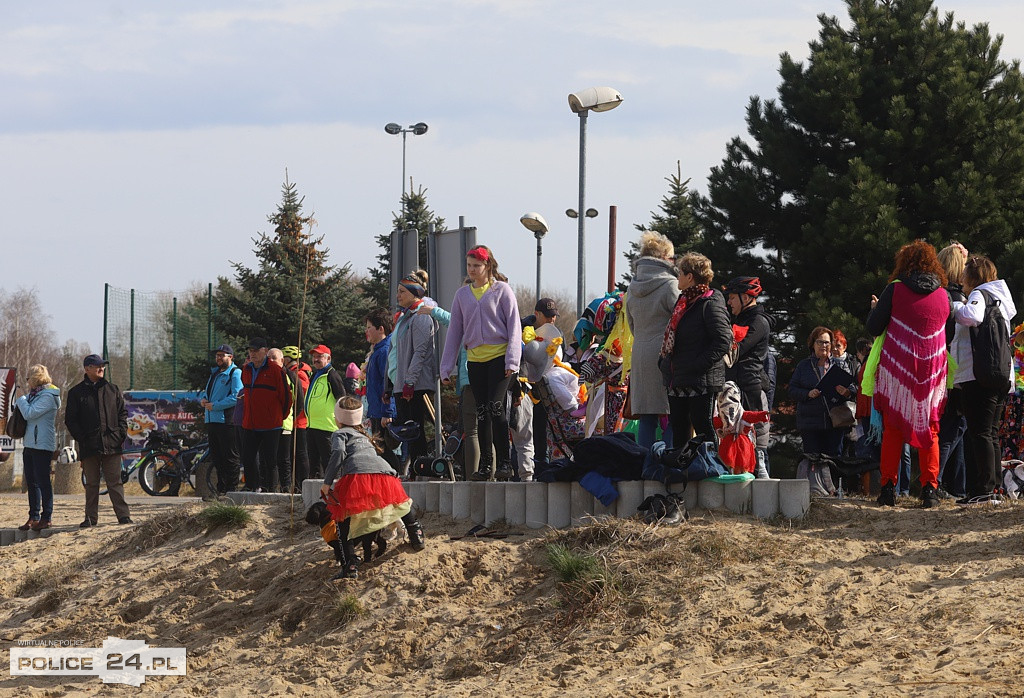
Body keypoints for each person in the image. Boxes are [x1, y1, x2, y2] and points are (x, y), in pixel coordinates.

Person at [865, 240, 951, 508]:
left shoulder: (895, 289)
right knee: (930, 427)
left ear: (904, 263)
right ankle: (930, 491)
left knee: (893, 428)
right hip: (932, 371)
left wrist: (875, 309)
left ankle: (888, 489)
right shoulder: (943, 294)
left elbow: (874, 328)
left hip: (897, 370)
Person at [440, 245, 522, 481]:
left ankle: (505, 462)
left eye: (477, 265)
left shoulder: (502, 291)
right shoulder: (462, 295)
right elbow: (455, 332)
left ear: (488, 266)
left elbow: (514, 327)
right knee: (482, 412)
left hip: (500, 359)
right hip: (475, 361)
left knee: (497, 407)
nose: (473, 270)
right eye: (469, 265)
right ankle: (487, 465)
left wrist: (512, 360)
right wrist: (447, 367)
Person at [321, 396, 425, 579]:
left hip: (357, 475)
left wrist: (327, 482)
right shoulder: (363, 434)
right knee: (400, 503)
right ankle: (416, 533)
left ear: (338, 417)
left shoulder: (340, 434)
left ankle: (350, 564)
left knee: (342, 518)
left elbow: (338, 452)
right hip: (385, 472)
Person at [954, 254, 1017, 505]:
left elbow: (972, 317)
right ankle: (994, 488)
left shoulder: (979, 295)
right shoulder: (1001, 299)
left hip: (978, 374)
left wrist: (957, 307)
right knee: (991, 432)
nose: (962, 278)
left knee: (980, 432)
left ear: (973, 277)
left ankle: (983, 489)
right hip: (1001, 374)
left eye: (965, 273)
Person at [660, 252, 732, 445]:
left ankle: (710, 469)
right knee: (679, 428)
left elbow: (723, 340)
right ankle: (683, 471)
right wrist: (664, 363)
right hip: (678, 378)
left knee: (703, 427)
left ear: (690, 276)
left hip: (701, 380)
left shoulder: (710, 302)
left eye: (680, 273)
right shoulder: (683, 302)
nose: (677, 278)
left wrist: (698, 365)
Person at [64, 354, 132, 527]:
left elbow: (123, 414)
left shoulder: (113, 389)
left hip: (112, 445)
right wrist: (82, 439)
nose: (101, 368)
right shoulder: (76, 393)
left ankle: (123, 516)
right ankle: (90, 518)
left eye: (103, 365)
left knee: (115, 482)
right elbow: (70, 420)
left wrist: (120, 434)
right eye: (97, 366)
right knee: (91, 484)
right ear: (87, 369)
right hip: (89, 446)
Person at [626, 231, 678, 450]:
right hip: (665, 356)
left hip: (640, 354)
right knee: (675, 412)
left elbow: (631, 325)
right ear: (665, 257)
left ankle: (645, 463)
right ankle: (670, 461)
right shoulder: (670, 285)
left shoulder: (632, 287)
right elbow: (681, 320)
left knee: (647, 416)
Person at [389, 270, 440, 475]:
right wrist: (391, 384)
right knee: (406, 431)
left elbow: (420, 352)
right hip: (402, 382)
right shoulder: (404, 317)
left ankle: (421, 468)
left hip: (417, 384)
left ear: (414, 293)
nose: (398, 295)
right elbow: (396, 353)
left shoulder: (421, 316)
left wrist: (409, 382)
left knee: (415, 429)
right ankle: (414, 469)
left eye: (402, 291)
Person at [722, 276, 772, 478]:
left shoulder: (758, 322)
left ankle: (759, 467)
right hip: (732, 384)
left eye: (732, 297)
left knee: (754, 433)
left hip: (750, 384)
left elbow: (736, 351)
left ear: (745, 297)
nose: (729, 302)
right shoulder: (737, 320)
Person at [789, 327, 857, 459]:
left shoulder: (840, 365)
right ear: (812, 344)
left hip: (835, 423)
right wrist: (808, 394)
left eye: (827, 342)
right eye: (820, 342)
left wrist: (847, 392)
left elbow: (854, 386)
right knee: (812, 461)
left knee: (834, 461)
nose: (824, 346)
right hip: (810, 423)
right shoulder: (803, 366)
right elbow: (792, 390)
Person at [936, 243, 969, 499]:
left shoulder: (939, 295)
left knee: (956, 426)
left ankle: (956, 486)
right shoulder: (957, 300)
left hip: (941, 369)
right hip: (955, 371)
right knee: (953, 428)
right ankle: (935, 480)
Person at [240, 338, 292, 492]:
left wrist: (278, 416)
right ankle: (253, 487)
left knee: (270, 460)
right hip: (250, 423)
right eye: (250, 350)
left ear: (265, 351)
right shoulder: (246, 370)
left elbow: (287, 398)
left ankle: (271, 490)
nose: (252, 353)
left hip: (271, 425)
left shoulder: (276, 371)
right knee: (248, 457)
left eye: (256, 350)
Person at [16, 364, 60, 531]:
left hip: (42, 444)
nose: (27, 382)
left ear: (35, 379)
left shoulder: (49, 396)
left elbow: (30, 413)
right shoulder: (35, 395)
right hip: (30, 442)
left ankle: (46, 516)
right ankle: (33, 516)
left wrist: (21, 400)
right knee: (31, 481)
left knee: (43, 481)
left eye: (29, 378)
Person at [200, 344, 242, 495]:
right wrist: (204, 400)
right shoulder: (215, 374)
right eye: (217, 355)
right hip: (212, 421)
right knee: (217, 458)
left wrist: (215, 406)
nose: (218, 358)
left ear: (230, 357)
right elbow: (208, 393)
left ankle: (231, 490)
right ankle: (221, 490)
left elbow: (236, 396)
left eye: (222, 355)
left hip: (226, 421)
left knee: (229, 457)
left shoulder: (235, 373)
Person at [305, 343, 348, 479]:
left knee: (329, 463)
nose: (316, 359)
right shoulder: (316, 374)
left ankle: (334, 492)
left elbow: (342, 399)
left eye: (320, 356)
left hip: (326, 427)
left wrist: (342, 423)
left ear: (328, 359)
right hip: (312, 426)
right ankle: (315, 495)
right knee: (314, 464)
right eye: (314, 356)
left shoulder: (332, 375)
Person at [268, 348, 305, 493]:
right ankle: (269, 487)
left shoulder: (289, 376)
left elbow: (299, 401)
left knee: (284, 459)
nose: (270, 361)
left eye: (274, 358)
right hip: (266, 426)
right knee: (269, 459)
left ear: (282, 361)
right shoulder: (265, 374)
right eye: (268, 358)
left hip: (284, 424)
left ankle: (285, 489)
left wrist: (288, 416)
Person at [281, 345, 311, 488]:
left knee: (300, 454)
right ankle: (299, 484)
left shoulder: (299, 374)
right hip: (297, 419)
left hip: (299, 420)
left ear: (287, 359)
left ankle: (302, 484)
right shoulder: (298, 372)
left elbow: (302, 395)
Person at [364, 308, 396, 438]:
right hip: (376, 411)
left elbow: (389, 382)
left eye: (369, 327)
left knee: (384, 453)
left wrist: (387, 412)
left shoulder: (384, 352)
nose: (366, 331)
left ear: (381, 329)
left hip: (382, 413)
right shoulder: (377, 351)